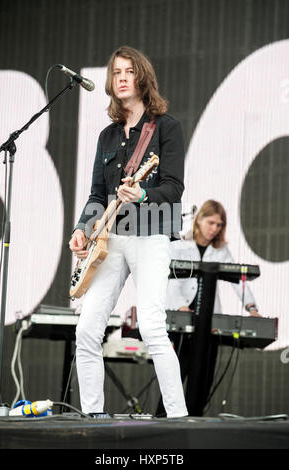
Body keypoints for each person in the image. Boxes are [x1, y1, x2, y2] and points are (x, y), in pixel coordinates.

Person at [69, 45, 188, 418]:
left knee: (153, 326)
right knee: (87, 330)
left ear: (142, 78)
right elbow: (95, 195)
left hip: (151, 234)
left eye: (128, 71)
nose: (121, 78)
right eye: (116, 72)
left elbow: (173, 187)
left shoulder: (166, 127)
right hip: (111, 239)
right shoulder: (106, 137)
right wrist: (81, 229)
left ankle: (180, 419)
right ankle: (92, 416)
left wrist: (143, 193)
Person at [156, 199, 261, 416]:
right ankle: (162, 418)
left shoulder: (220, 250)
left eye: (219, 225)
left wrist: (251, 308)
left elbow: (238, 279)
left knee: (205, 374)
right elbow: (170, 280)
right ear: (199, 219)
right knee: (178, 371)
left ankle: (195, 419)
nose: (214, 229)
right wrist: (181, 306)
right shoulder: (179, 244)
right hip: (183, 317)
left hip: (209, 318)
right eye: (211, 222)